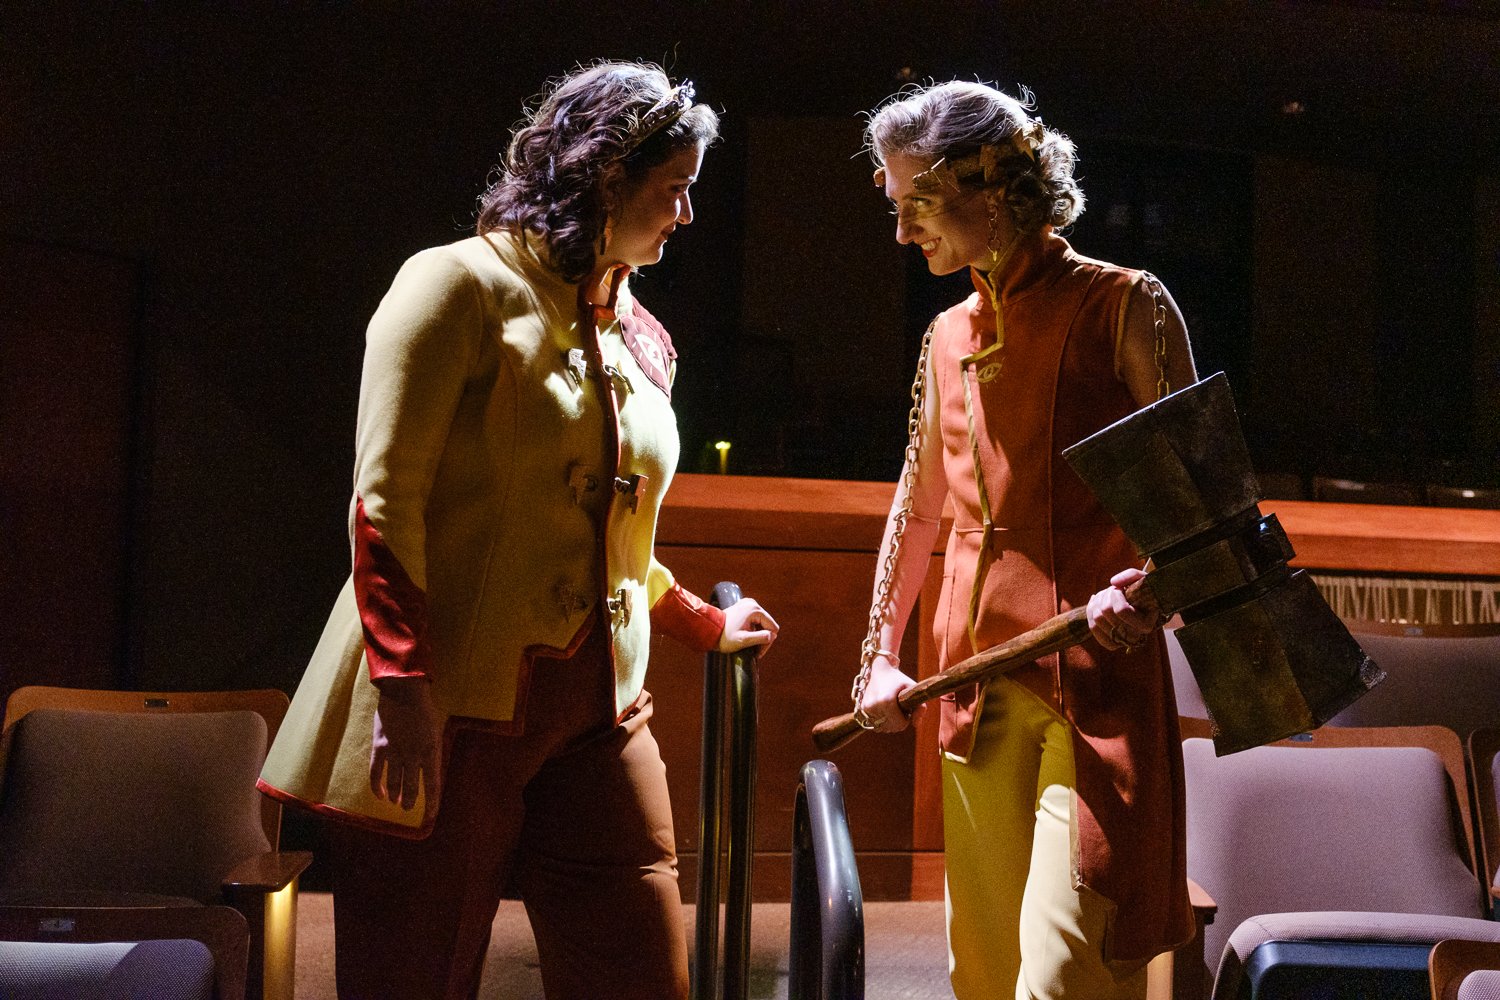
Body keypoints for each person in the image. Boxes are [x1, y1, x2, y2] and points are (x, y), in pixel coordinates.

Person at [257, 61, 778, 1000]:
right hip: (447, 707)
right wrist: (405, 688)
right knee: (413, 972)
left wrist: (700, 620)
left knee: (642, 971)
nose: (687, 216)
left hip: (602, 714)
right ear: (609, 178)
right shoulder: (454, 283)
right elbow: (384, 502)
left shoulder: (638, 332)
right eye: (675, 190)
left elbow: (608, 534)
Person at [850, 81, 1198, 999]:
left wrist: (1152, 586)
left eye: (916, 204)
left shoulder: (1128, 307)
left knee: (1062, 977)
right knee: (986, 978)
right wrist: (876, 660)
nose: (902, 232)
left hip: (1097, 691)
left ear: (994, 188)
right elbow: (918, 507)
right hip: (968, 693)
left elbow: (1202, 515)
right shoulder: (944, 333)